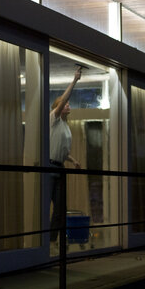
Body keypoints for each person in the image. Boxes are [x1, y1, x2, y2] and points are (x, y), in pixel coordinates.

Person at [49, 66, 82, 244]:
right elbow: (64, 99)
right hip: (49, 167)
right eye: (65, 104)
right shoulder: (53, 119)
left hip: (59, 167)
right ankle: (42, 242)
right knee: (45, 205)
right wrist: (74, 80)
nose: (68, 105)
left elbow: (61, 150)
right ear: (58, 107)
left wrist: (73, 160)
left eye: (68, 104)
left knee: (61, 207)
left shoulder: (65, 127)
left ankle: (51, 240)